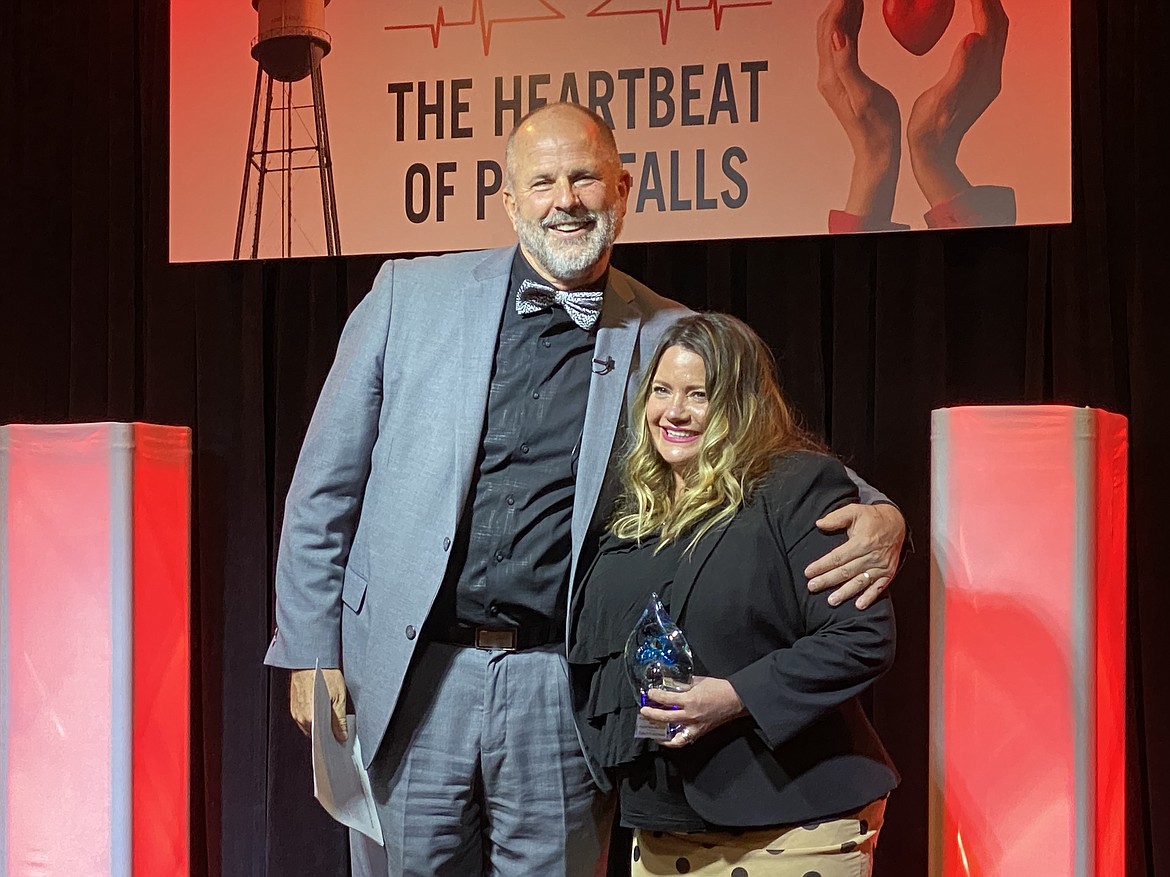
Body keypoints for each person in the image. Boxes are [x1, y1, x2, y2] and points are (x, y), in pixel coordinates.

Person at [264, 102, 906, 876]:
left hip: (556, 683)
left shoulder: (667, 331)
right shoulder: (407, 296)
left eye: (583, 178)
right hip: (412, 675)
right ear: (509, 201)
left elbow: (765, 446)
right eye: (541, 182)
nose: (563, 199)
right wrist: (308, 650)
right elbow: (322, 490)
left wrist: (882, 513)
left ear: (623, 189)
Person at [569, 313, 898, 876]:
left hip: (790, 822)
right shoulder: (630, 512)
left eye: (699, 394)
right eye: (662, 391)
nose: (674, 412)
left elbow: (862, 638)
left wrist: (735, 695)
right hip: (660, 829)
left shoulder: (795, 486)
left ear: (739, 404)